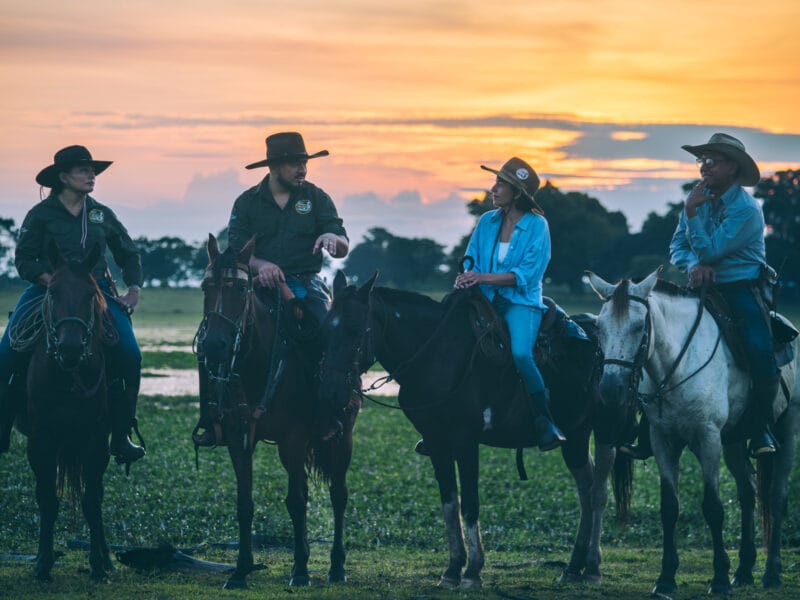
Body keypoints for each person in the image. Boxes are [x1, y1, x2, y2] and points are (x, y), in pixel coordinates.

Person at [621, 132, 777, 460]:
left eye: (712, 161)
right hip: (699, 287)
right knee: (654, 345)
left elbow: (711, 249)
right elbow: (679, 246)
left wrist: (693, 218)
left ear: (733, 168)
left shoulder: (746, 210)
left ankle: (760, 427)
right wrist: (693, 264)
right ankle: (646, 428)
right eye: (701, 160)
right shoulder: (697, 198)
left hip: (740, 288)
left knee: (761, 353)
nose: (704, 167)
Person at [192, 132, 349, 446]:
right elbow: (236, 247)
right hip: (255, 286)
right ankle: (213, 417)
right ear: (275, 166)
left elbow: (342, 241)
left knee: (323, 333)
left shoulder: (316, 198)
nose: (302, 169)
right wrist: (261, 266)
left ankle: (326, 415)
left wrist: (334, 241)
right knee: (213, 337)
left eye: (304, 162)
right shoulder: (247, 202)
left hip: (305, 283)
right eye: (294, 163)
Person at [0, 145, 145, 463]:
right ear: (63, 177)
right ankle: (3, 425)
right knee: (5, 350)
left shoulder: (101, 214)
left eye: (93, 170)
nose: (91, 175)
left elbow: (128, 253)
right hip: (47, 290)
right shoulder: (40, 215)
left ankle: (121, 435)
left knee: (130, 355)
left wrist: (132, 289)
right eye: (83, 170)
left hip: (98, 293)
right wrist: (48, 279)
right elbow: (24, 257)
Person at [454, 157, 565, 452]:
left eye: (501, 184)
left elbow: (525, 276)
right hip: (484, 299)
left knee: (520, 354)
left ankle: (545, 419)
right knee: (452, 339)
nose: (494, 188)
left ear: (517, 193)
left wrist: (481, 277)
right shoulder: (487, 221)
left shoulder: (538, 226)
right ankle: (447, 416)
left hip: (521, 302)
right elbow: (471, 257)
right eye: (496, 182)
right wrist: (466, 277)